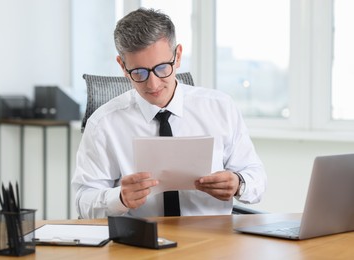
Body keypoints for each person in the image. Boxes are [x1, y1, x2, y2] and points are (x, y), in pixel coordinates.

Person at [72, 8, 267, 219]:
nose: (153, 84)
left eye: (162, 68)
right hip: (139, 242)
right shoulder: (103, 124)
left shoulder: (220, 107)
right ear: (122, 66)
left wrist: (239, 183)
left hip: (212, 241)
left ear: (178, 56)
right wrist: (119, 198)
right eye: (139, 72)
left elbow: (256, 177)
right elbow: (83, 200)